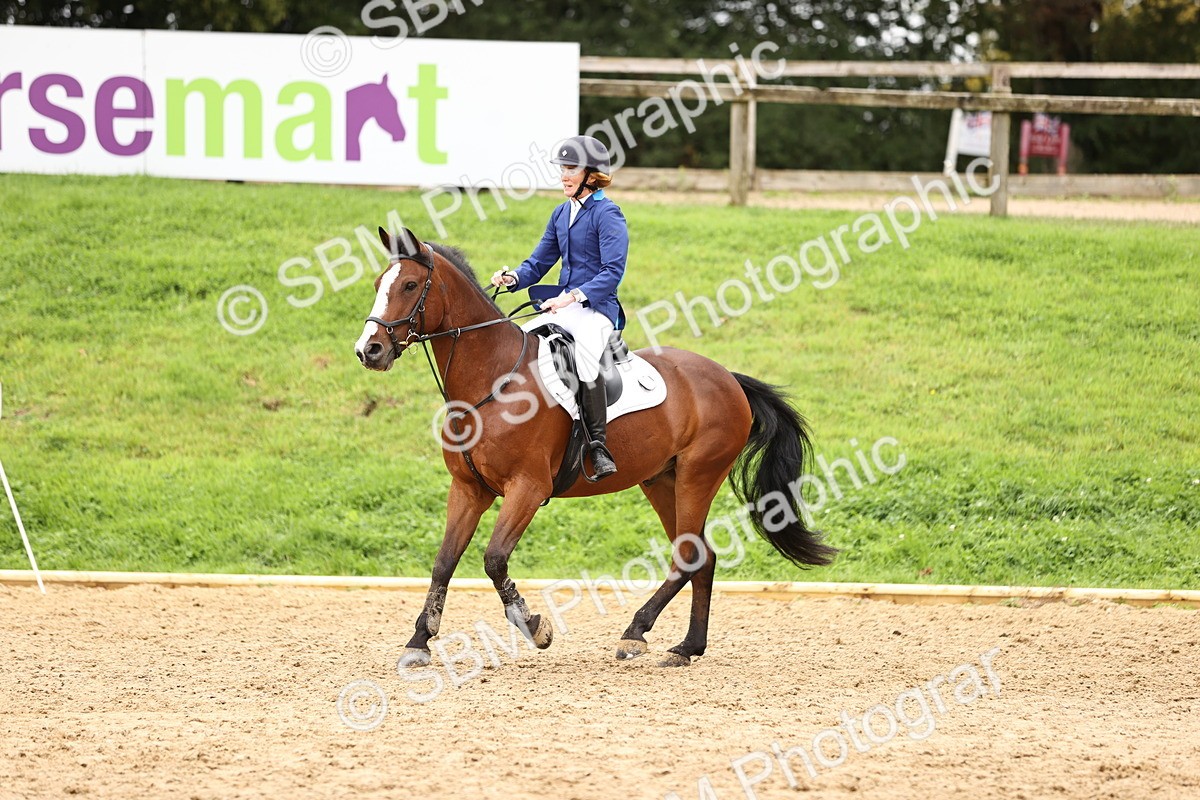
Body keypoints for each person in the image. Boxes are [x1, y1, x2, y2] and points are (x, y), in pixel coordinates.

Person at [491, 135, 627, 480]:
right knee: (518, 344)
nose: (564, 175)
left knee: (584, 359)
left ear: (591, 175)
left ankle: (597, 445)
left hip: (595, 309)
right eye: (563, 169)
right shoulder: (561, 212)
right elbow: (538, 263)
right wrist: (513, 278)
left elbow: (613, 272)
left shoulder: (607, 213)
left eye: (571, 169)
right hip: (561, 306)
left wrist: (573, 296)